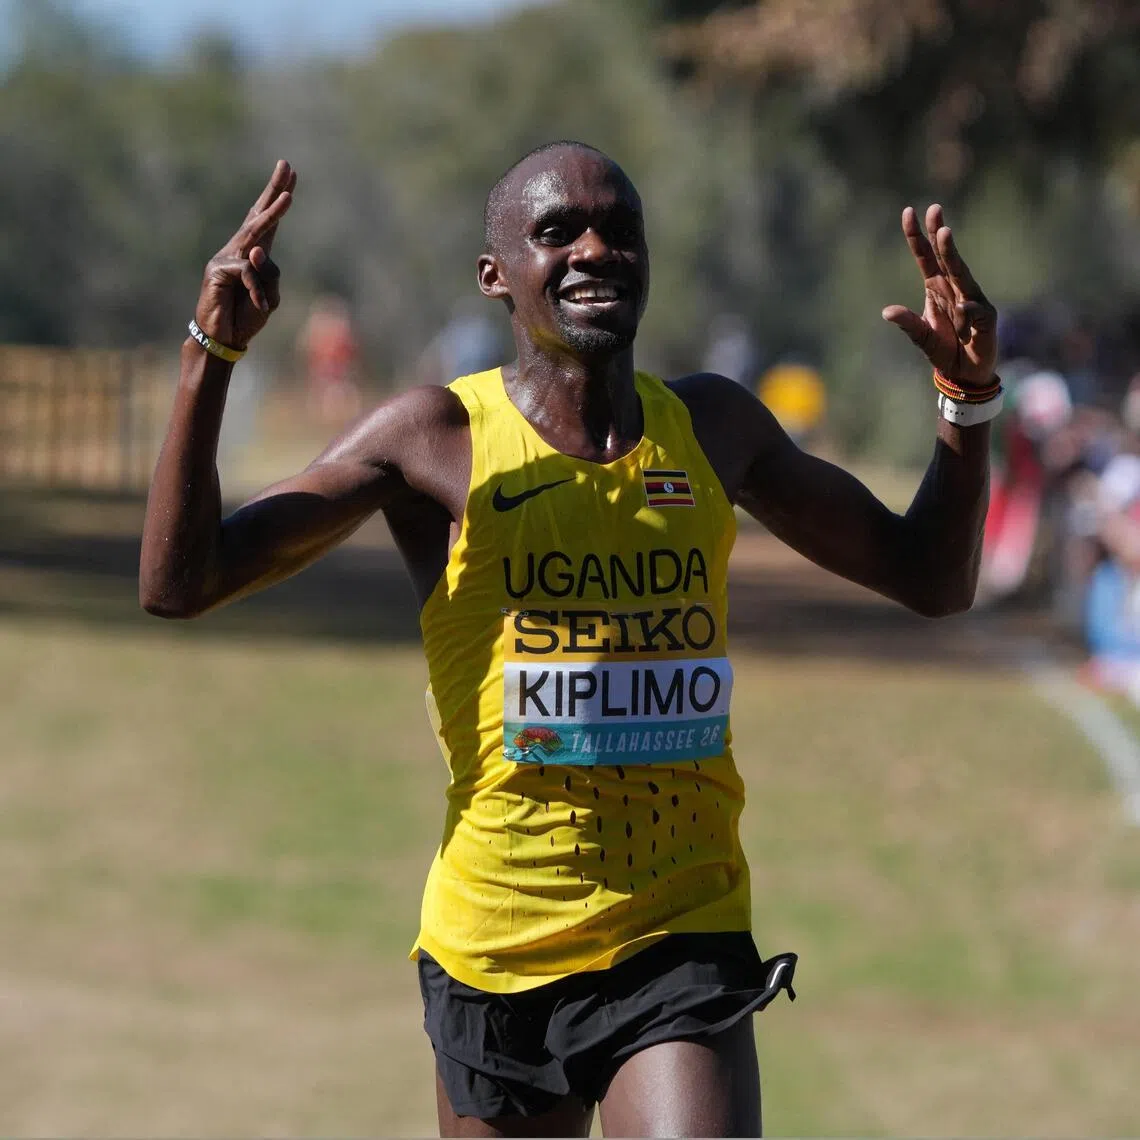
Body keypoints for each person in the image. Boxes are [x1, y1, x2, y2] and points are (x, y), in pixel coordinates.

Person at [139, 143, 998, 1137]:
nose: (596, 249)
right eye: (558, 232)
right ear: (496, 275)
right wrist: (212, 355)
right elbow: (181, 581)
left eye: (619, 230)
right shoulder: (434, 438)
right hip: (497, 948)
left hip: (679, 926)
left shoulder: (713, 428)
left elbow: (932, 579)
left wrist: (967, 405)